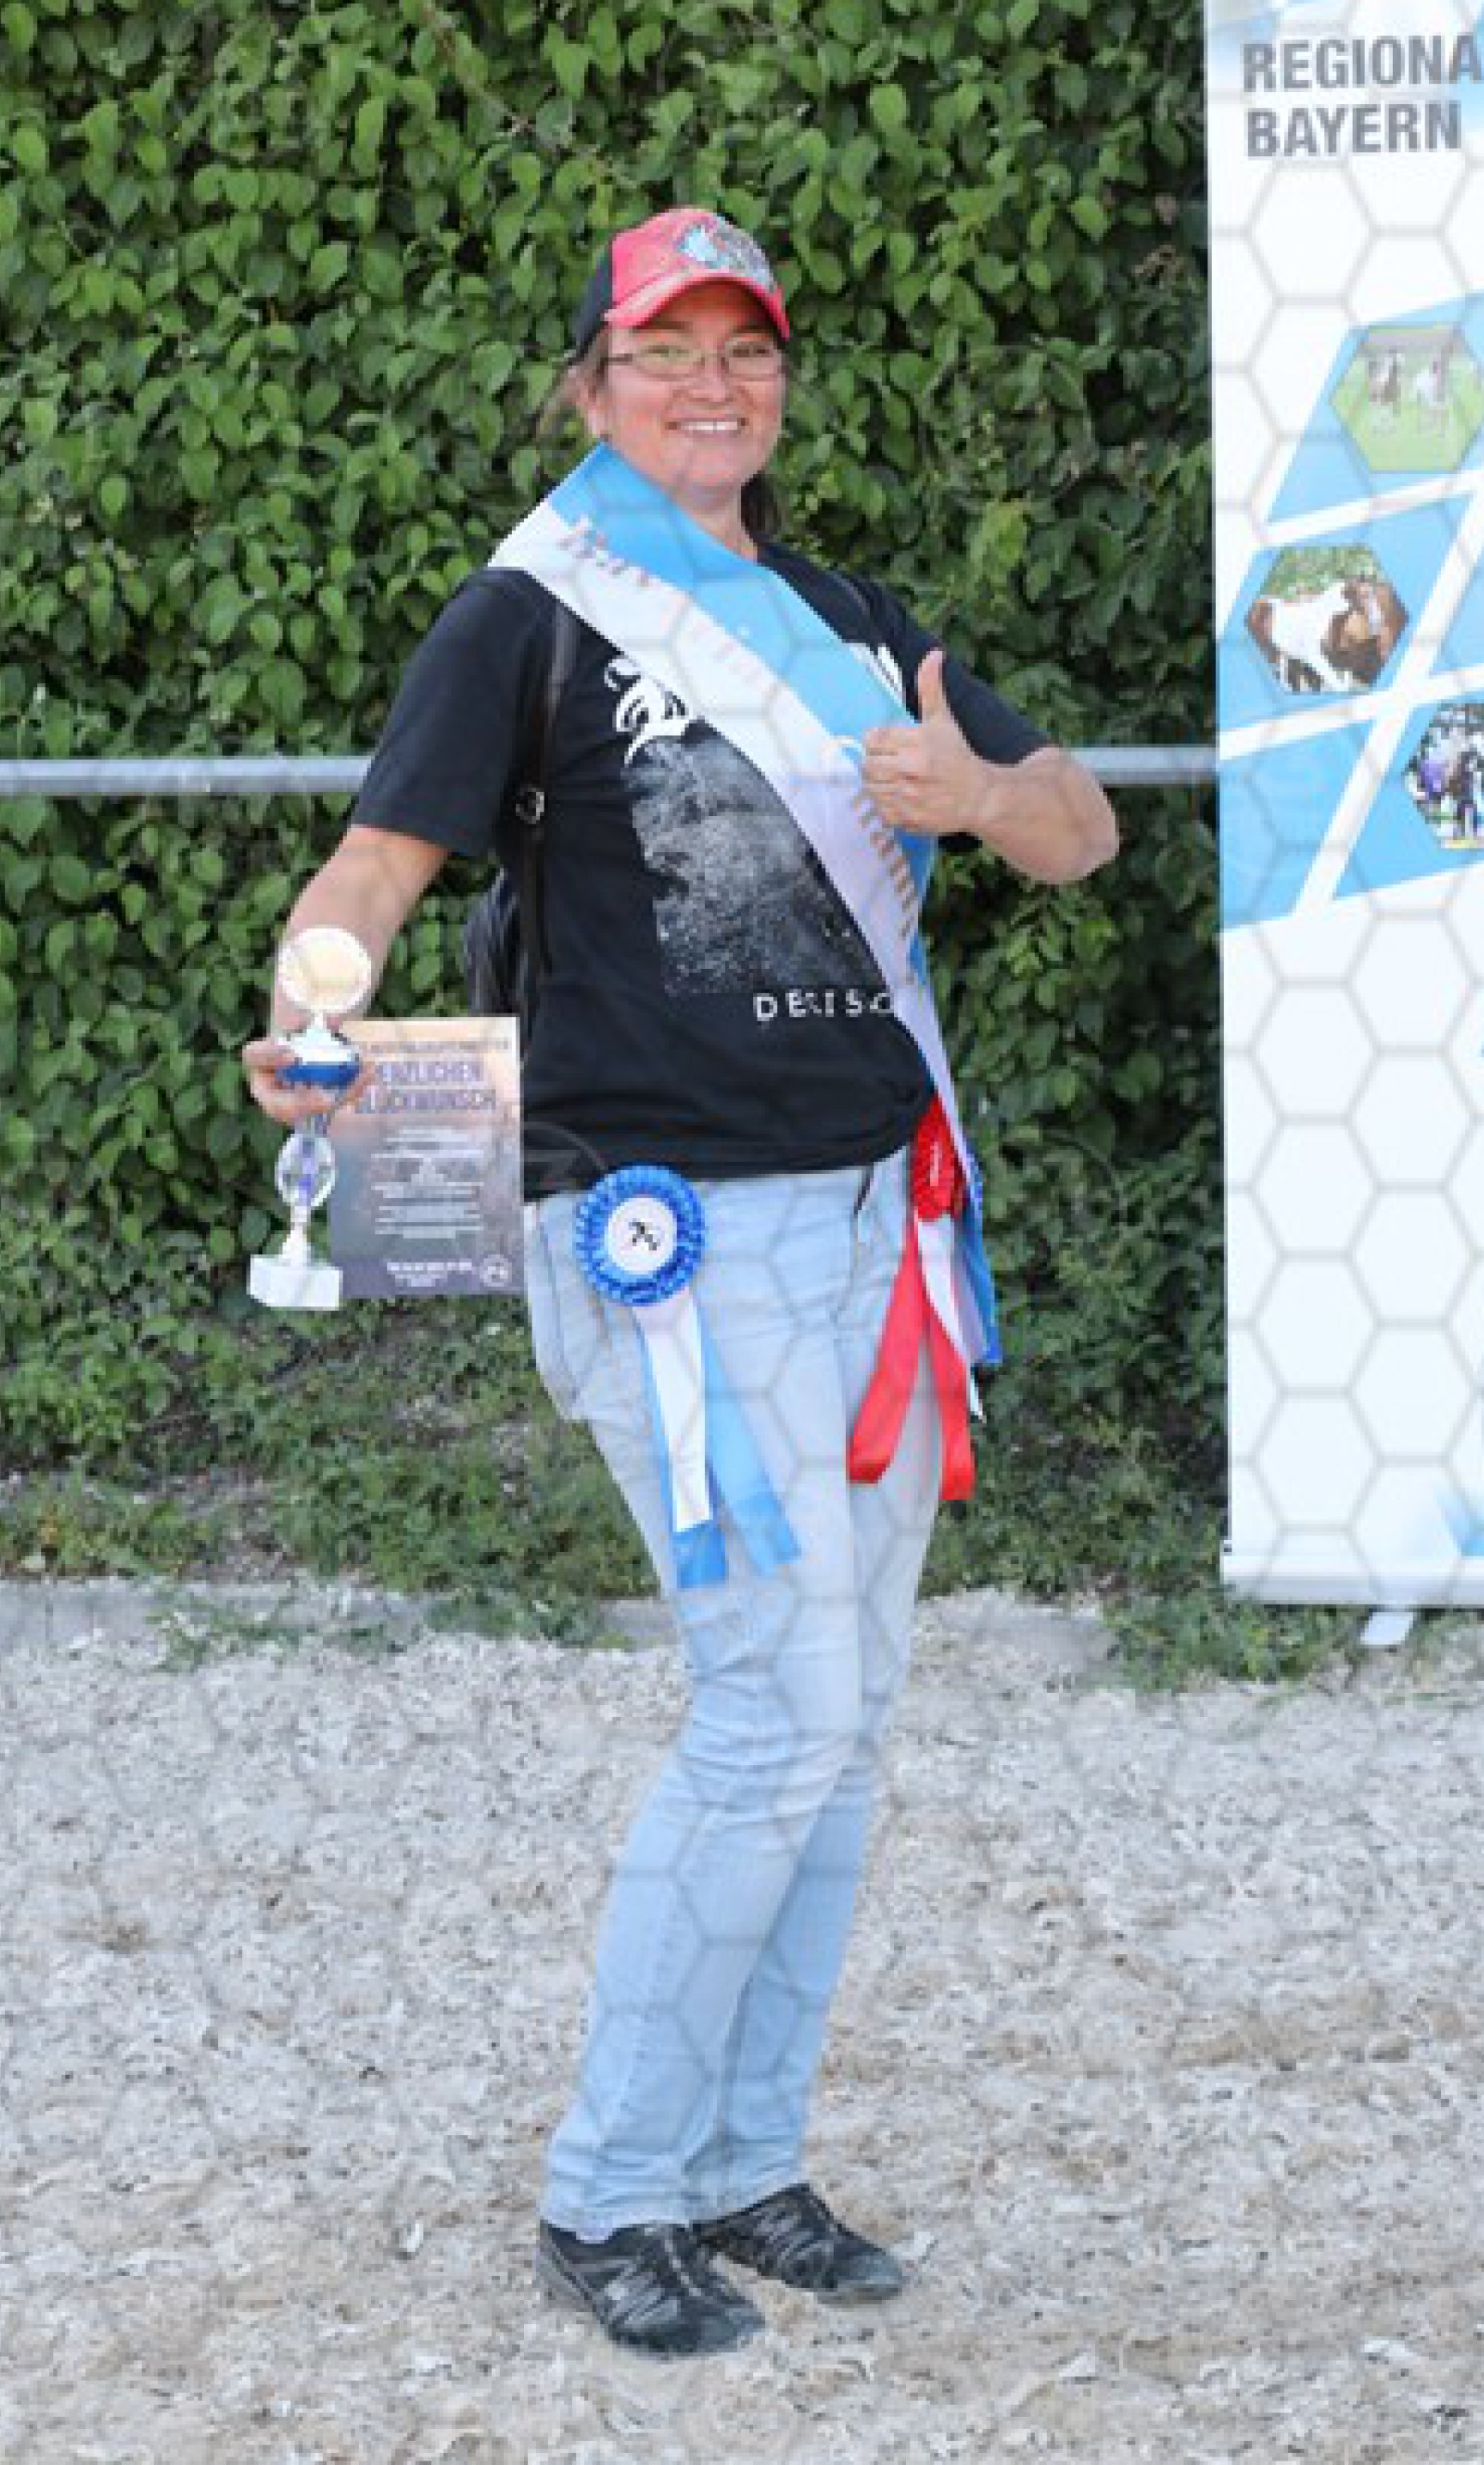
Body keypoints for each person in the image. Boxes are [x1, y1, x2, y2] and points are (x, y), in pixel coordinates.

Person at [241, 206, 1117, 2359]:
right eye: (665, 350)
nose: (711, 385)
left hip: (880, 1226)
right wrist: (312, 1002)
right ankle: (611, 2188)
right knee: (774, 1707)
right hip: (664, 1231)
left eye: (746, 349)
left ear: (779, 380)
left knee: (852, 1717)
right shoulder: (527, 613)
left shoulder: (853, 624)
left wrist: (978, 792)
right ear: (592, 385)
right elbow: (373, 865)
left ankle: (743, 2159)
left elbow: (1082, 824)